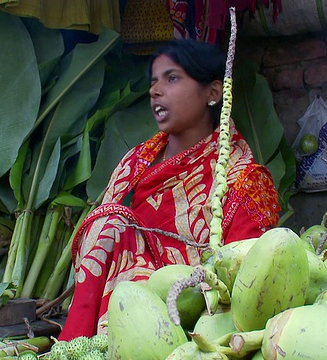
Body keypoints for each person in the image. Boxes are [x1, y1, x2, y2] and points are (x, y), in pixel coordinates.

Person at [58, 39, 280, 340]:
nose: (155, 90)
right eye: (153, 81)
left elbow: (246, 279)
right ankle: (80, 345)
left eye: (172, 78)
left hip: (195, 324)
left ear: (213, 93)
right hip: (116, 318)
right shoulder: (133, 163)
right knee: (108, 222)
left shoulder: (244, 181)